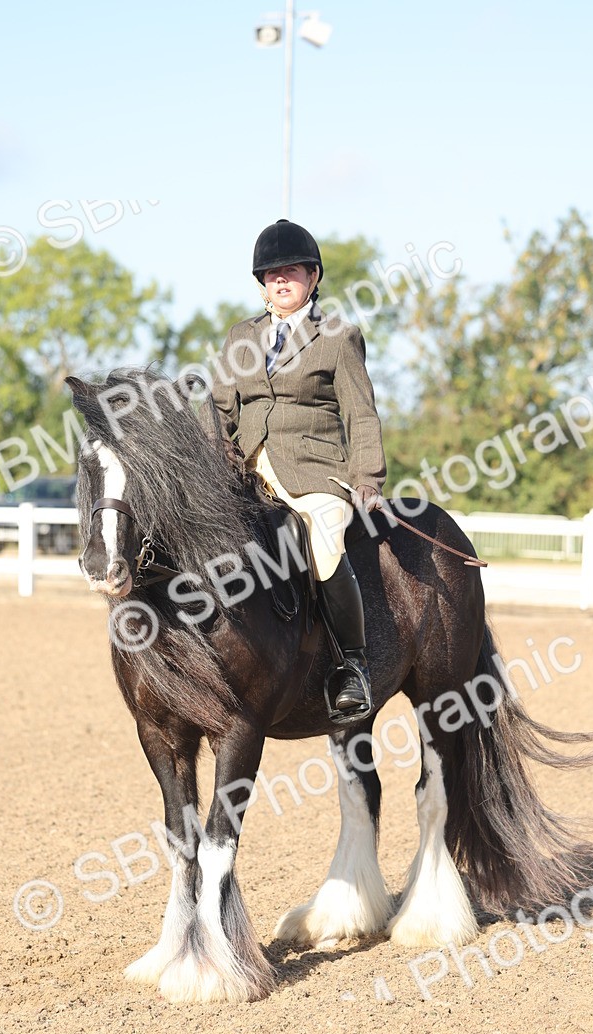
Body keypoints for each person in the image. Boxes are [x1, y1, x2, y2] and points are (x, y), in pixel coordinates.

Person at [210, 218, 386, 716]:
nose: (281, 279)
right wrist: (212, 458)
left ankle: (352, 666)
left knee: (325, 549)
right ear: (262, 284)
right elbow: (219, 408)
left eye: (291, 271)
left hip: (314, 472)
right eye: (272, 273)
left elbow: (360, 413)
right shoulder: (241, 337)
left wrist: (368, 479)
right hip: (247, 472)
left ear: (313, 276)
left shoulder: (338, 337)